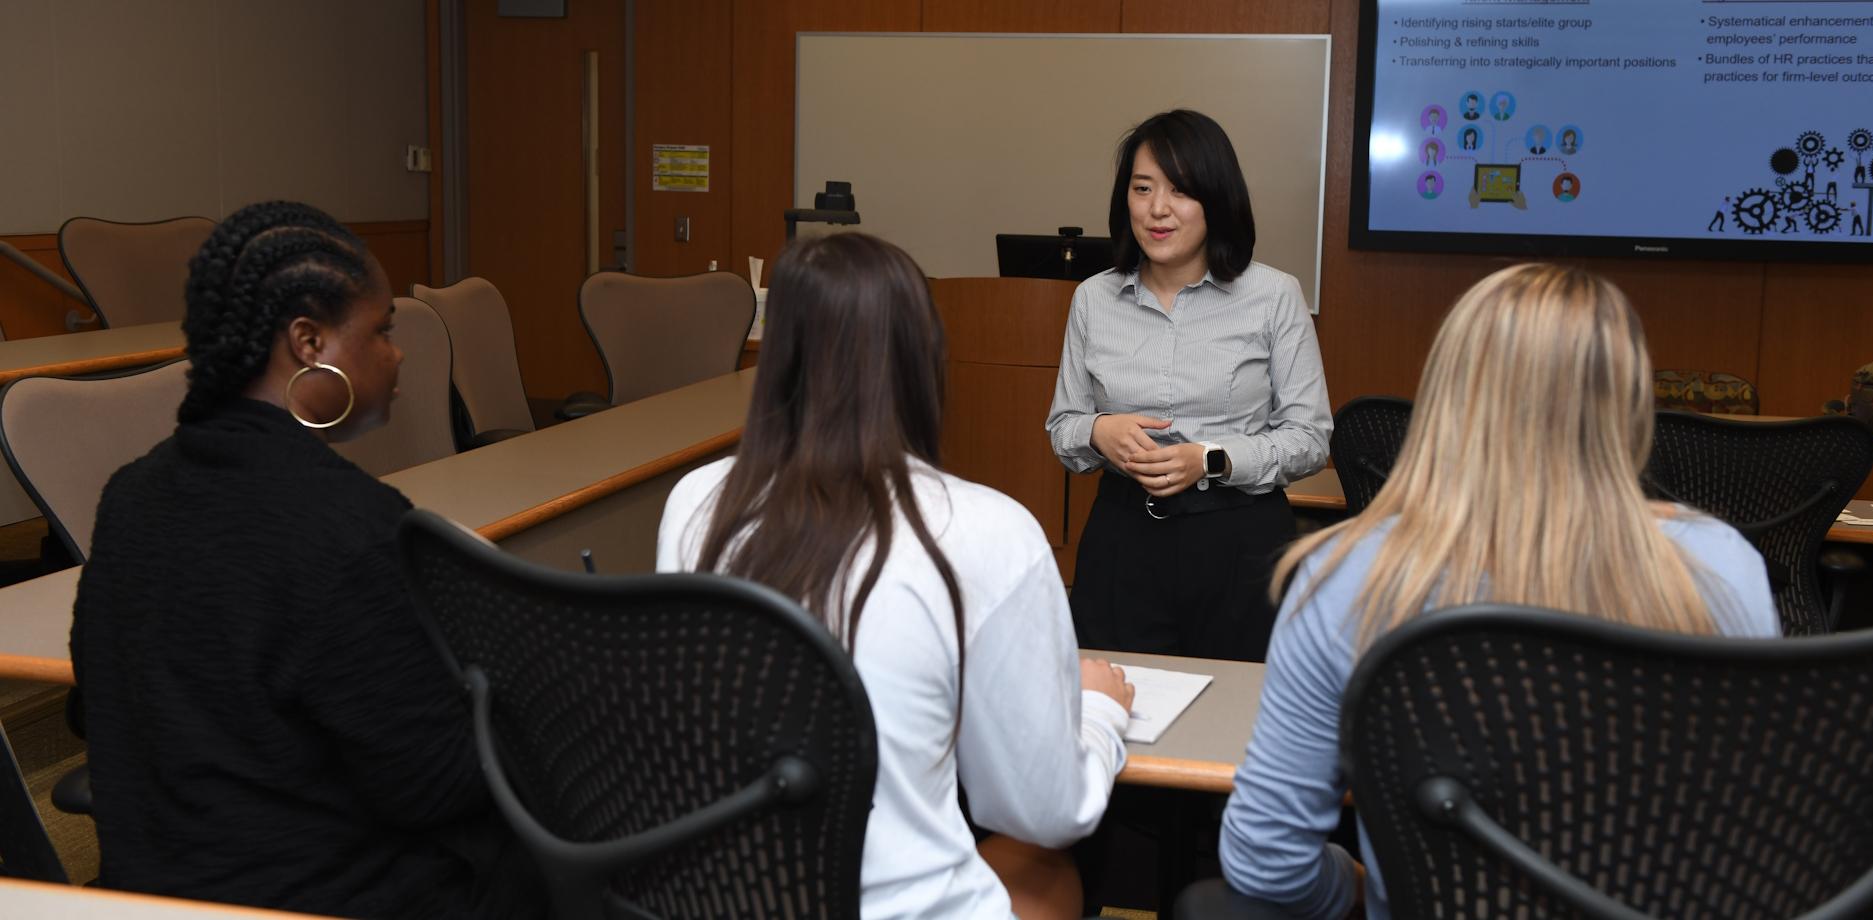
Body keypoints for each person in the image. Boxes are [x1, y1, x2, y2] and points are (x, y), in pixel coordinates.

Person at [1215, 263, 1778, 918]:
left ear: (1449, 391)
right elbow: (1757, 832)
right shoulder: (1723, 564)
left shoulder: (1343, 577)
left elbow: (1266, 863)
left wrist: (1367, 890)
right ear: (1627, 399)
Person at [72, 201, 544, 918]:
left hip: (156, 895)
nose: (398, 352)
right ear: (308, 341)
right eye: (381, 330)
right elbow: (432, 787)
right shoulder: (348, 525)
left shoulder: (129, 496)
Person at [657, 232, 1135, 920]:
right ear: (923, 359)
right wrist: (1098, 711)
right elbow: (1047, 811)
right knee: (1047, 870)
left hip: (729, 895)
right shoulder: (989, 531)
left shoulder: (697, 503)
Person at [1046, 109, 1331, 662]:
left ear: (1216, 199)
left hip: (1239, 542)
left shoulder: (1273, 296)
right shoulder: (1093, 299)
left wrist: (1212, 459)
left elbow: (1310, 437)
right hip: (1122, 538)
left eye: (1180, 190)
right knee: (1115, 707)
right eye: (1143, 187)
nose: (1157, 209)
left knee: (1234, 720)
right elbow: (1064, 426)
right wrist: (1099, 431)